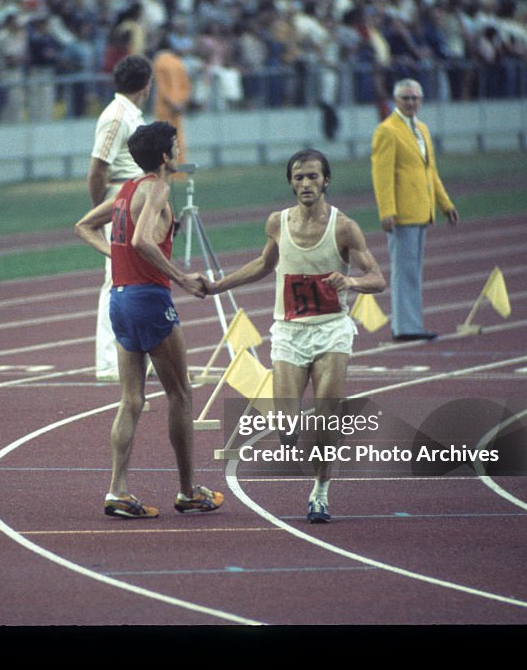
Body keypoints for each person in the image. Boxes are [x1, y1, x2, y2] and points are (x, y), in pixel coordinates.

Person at [207, 149, 385, 523]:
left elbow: (377, 278)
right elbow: (263, 264)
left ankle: (320, 490)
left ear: (326, 181)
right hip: (289, 331)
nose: (306, 183)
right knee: (287, 425)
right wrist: (218, 286)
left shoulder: (344, 227)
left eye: (313, 177)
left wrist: (349, 280)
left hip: (332, 331)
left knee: (326, 417)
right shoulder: (277, 223)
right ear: (290, 182)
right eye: (299, 177)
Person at [75, 121, 224, 519]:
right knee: (181, 394)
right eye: (175, 145)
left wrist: (114, 256)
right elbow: (142, 239)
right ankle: (189, 492)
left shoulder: (125, 190)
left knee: (132, 399)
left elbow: (83, 226)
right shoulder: (157, 188)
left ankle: (117, 491)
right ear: (163, 156)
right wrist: (183, 278)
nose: (179, 151)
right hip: (149, 298)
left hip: (120, 300)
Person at [370, 78, 458, 341]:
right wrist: (387, 210)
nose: (410, 103)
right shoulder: (387, 131)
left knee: (413, 271)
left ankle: (412, 323)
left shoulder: (421, 130)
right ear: (395, 101)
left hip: (422, 210)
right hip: (402, 213)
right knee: (404, 271)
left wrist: (445, 204)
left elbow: (431, 172)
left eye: (415, 98)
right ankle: (406, 327)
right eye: (405, 98)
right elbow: (381, 175)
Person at [87, 55, 152, 382]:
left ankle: (137, 351)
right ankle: (109, 362)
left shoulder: (132, 115)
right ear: (147, 85)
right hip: (119, 199)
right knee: (116, 279)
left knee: (140, 277)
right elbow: (98, 167)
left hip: (137, 197)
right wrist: (100, 209)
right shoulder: (116, 117)